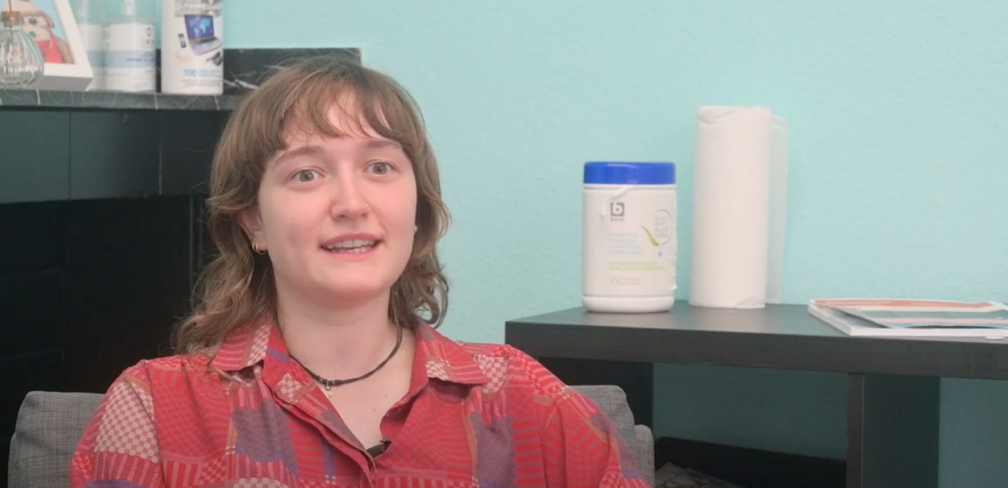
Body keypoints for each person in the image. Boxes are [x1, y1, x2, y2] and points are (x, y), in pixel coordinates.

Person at [69, 55, 650, 487]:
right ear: (253, 221)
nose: (351, 203)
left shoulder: (525, 400)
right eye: (306, 174)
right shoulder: (155, 407)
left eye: (379, 167)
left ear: (416, 208)